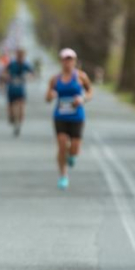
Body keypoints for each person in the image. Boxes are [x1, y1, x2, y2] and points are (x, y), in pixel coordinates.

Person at [45, 48, 92, 190]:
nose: (68, 62)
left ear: (74, 61)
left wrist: (82, 98)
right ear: (61, 61)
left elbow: (90, 91)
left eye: (70, 59)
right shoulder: (55, 79)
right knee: (62, 143)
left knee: (75, 148)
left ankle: (71, 155)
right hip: (60, 116)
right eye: (65, 59)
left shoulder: (81, 76)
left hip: (77, 116)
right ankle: (63, 176)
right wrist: (51, 95)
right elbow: (47, 98)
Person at [4, 49, 34, 136]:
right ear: (16, 56)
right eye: (19, 56)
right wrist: (6, 77)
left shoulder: (26, 65)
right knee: (11, 108)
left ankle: (19, 124)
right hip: (11, 89)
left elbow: (32, 73)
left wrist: (29, 77)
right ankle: (12, 118)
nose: (20, 58)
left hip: (21, 90)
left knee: (21, 107)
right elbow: (4, 72)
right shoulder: (12, 64)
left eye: (22, 56)